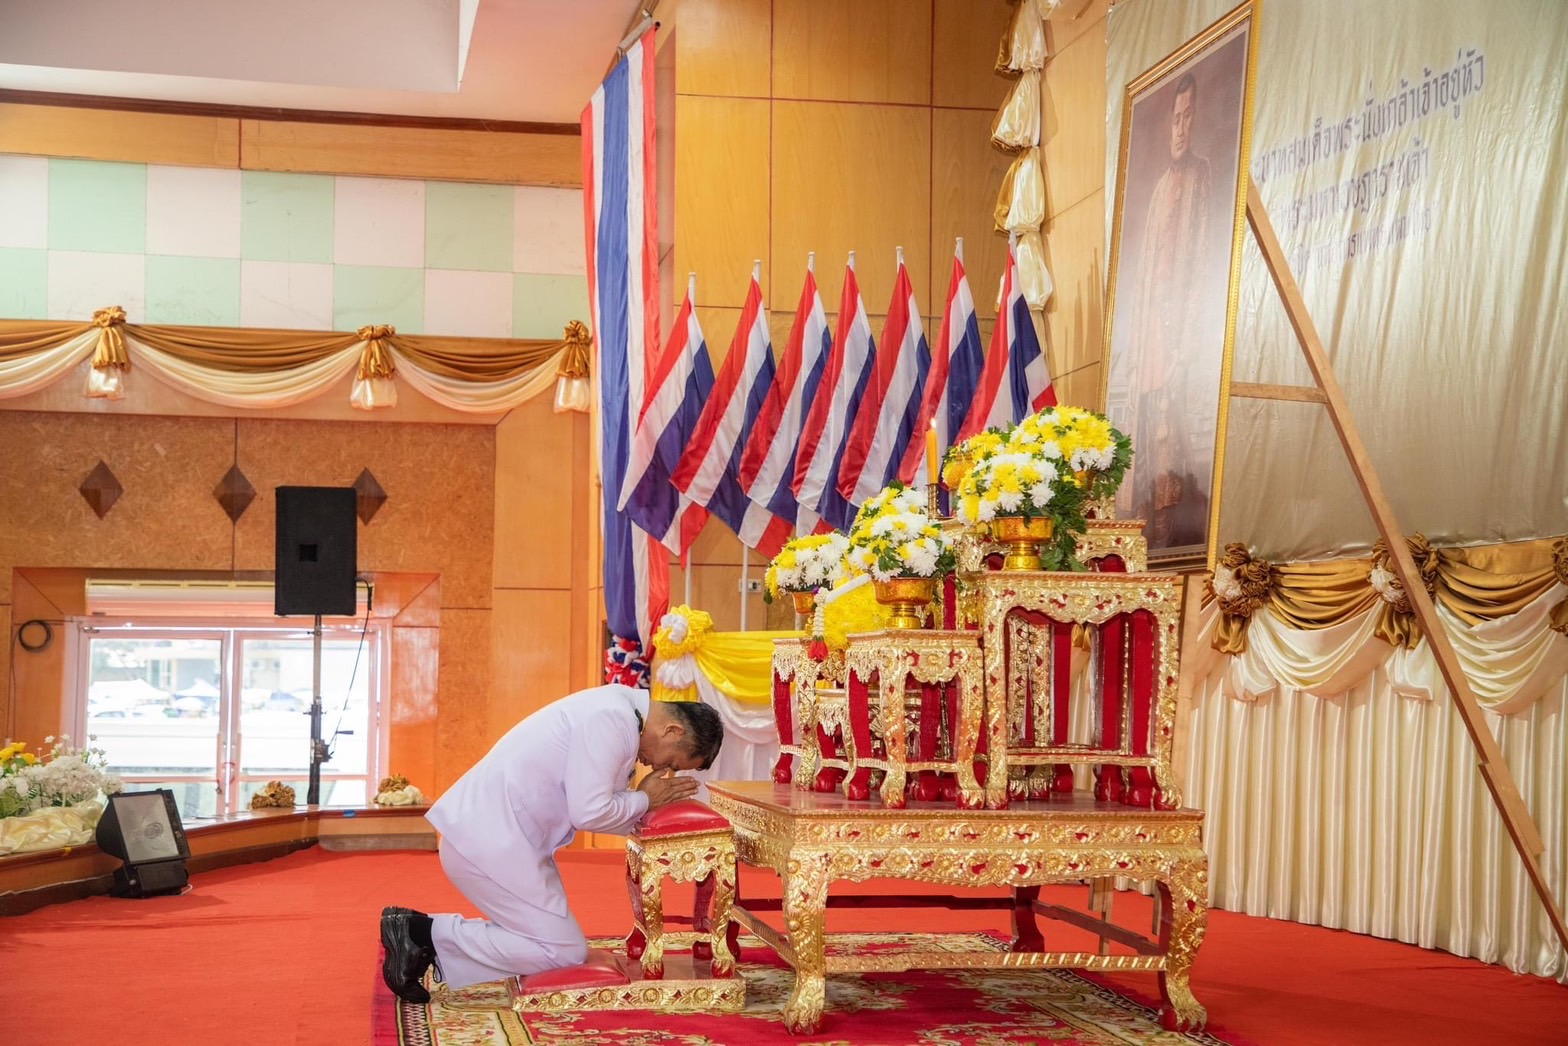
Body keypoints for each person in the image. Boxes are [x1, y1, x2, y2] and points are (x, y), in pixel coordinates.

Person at [379, 684, 723, 1002]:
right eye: (673, 762)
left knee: (555, 943)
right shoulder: (612, 719)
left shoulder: (620, 712)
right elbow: (589, 813)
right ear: (673, 731)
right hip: (489, 842)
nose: (661, 769)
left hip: (506, 843)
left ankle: (419, 935)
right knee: (560, 952)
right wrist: (646, 801)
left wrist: (651, 812)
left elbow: (601, 807)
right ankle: (420, 933)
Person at [1123, 70, 1217, 550]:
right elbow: (1143, 273)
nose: (1180, 128)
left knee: (1169, 435)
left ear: (1195, 119)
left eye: (1187, 118)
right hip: (1152, 334)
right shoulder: (1160, 186)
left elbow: (1200, 259)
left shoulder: (1200, 174)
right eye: (1174, 119)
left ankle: (1170, 533)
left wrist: (1186, 341)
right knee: (1147, 434)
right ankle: (1150, 539)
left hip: (1178, 331)